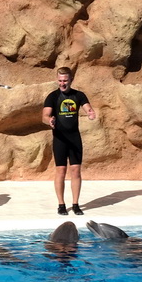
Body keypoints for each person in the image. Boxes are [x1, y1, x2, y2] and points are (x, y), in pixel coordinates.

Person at [42, 66, 96, 216]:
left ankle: (76, 204)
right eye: (60, 80)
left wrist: (90, 113)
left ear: (71, 80)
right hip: (60, 139)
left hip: (74, 138)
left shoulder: (78, 95)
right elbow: (45, 115)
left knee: (76, 171)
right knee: (61, 171)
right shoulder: (52, 97)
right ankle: (61, 204)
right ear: (57, 80)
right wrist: (50, 120)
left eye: (65, 80)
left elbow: (88, 108)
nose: (62, 83)